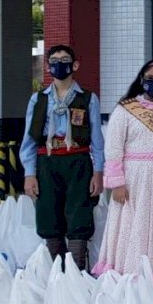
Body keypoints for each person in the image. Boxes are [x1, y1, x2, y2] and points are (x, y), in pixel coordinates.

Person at [93, 59, 153, 288]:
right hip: (133, 179)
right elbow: (113, 148)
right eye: (150, 79)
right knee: (132, 226)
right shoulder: (126, 109)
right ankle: (130, 275)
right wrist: (116, 183)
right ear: (142, 80)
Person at [19, 45, 104, 271]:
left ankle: (77, 273)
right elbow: (28, 140)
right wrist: (29, 174)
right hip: (47, 162)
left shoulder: (88, 99)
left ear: (74, 65)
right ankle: (59, 271)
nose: (59, 64)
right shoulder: (38, 100)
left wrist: (98, 173)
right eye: (54, 60)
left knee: (79, 215)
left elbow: (97, 140)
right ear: (47, 67)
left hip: (78, 161)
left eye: (65, 59)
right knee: (48, 215)